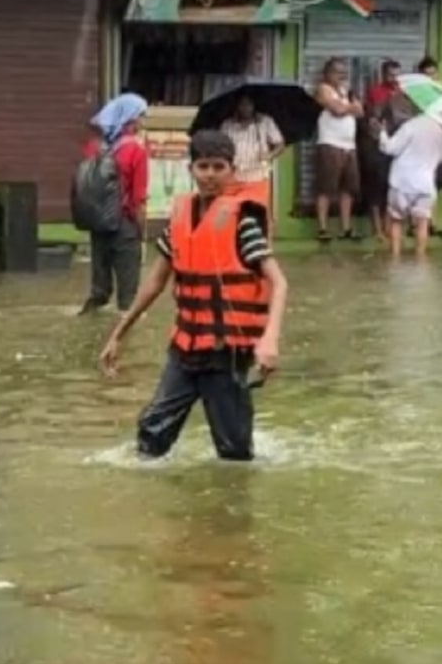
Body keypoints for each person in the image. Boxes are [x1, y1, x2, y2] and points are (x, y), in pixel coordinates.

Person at [99, 128, 289, 464]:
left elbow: (279, 282)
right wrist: (119, 334)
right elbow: (155, 283)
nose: (211, 175)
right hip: (185, 348)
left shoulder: (243, 221)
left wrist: (269, 340)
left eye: (219, 167)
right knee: (152, 432)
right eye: (203, 166)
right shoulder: (180, 221)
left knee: (232, 454)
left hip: (226, 352)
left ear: (232, 170)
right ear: (191, 170)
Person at [77, 94, 149, 314]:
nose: (144, 120)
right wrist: (142, 233)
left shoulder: (93, 148)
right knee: (129, 299)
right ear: (131, 118)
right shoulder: (136, 151)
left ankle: (88, 320)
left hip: (98, 225)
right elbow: (138, 199)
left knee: (99, 291)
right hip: (124, 226)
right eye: (142, 115)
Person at [381, 108, 442, 262]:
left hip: (402, 182)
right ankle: (420, 260)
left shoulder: (411, 125)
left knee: (396, 221)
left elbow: (390, 148)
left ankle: (395, 260)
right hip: (425, 184)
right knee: (422, 223)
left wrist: (382, 133)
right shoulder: (440, 132)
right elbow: (441, 158)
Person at [312, 58, 362, 243]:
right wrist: (350, 108)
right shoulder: (323, 89)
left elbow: (361, 112)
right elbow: (336, 110)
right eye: (336, 71)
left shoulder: (345, 91)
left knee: (348, 189)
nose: (340, 76)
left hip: (349, 146)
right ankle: (323, 228)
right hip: (330, 144)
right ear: (327, 73)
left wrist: (347, 107)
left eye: (343, 72)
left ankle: (346, 228)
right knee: (325, 188)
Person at [358, 59, 402, 239]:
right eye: (391, 75)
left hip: (396, 146)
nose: (394, 79)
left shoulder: (402, 93)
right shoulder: (376, 92)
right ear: (383, 75)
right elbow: (372, 118)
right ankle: (377, 230)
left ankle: (387, 228)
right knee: (375, 189)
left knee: (390, 189)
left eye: (397, 75)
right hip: (375, 147)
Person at [220, 92, 283, 210]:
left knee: (256, 212)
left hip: (257, 176)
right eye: (242, 104)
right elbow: (220, 148)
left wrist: (269, 155)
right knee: (230, 212)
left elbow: (280, 144)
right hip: (232, 177)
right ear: (236, 106)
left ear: (254, 105)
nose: (245, 108)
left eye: (248, 104)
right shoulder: (227, 125)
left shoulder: (265, 122)